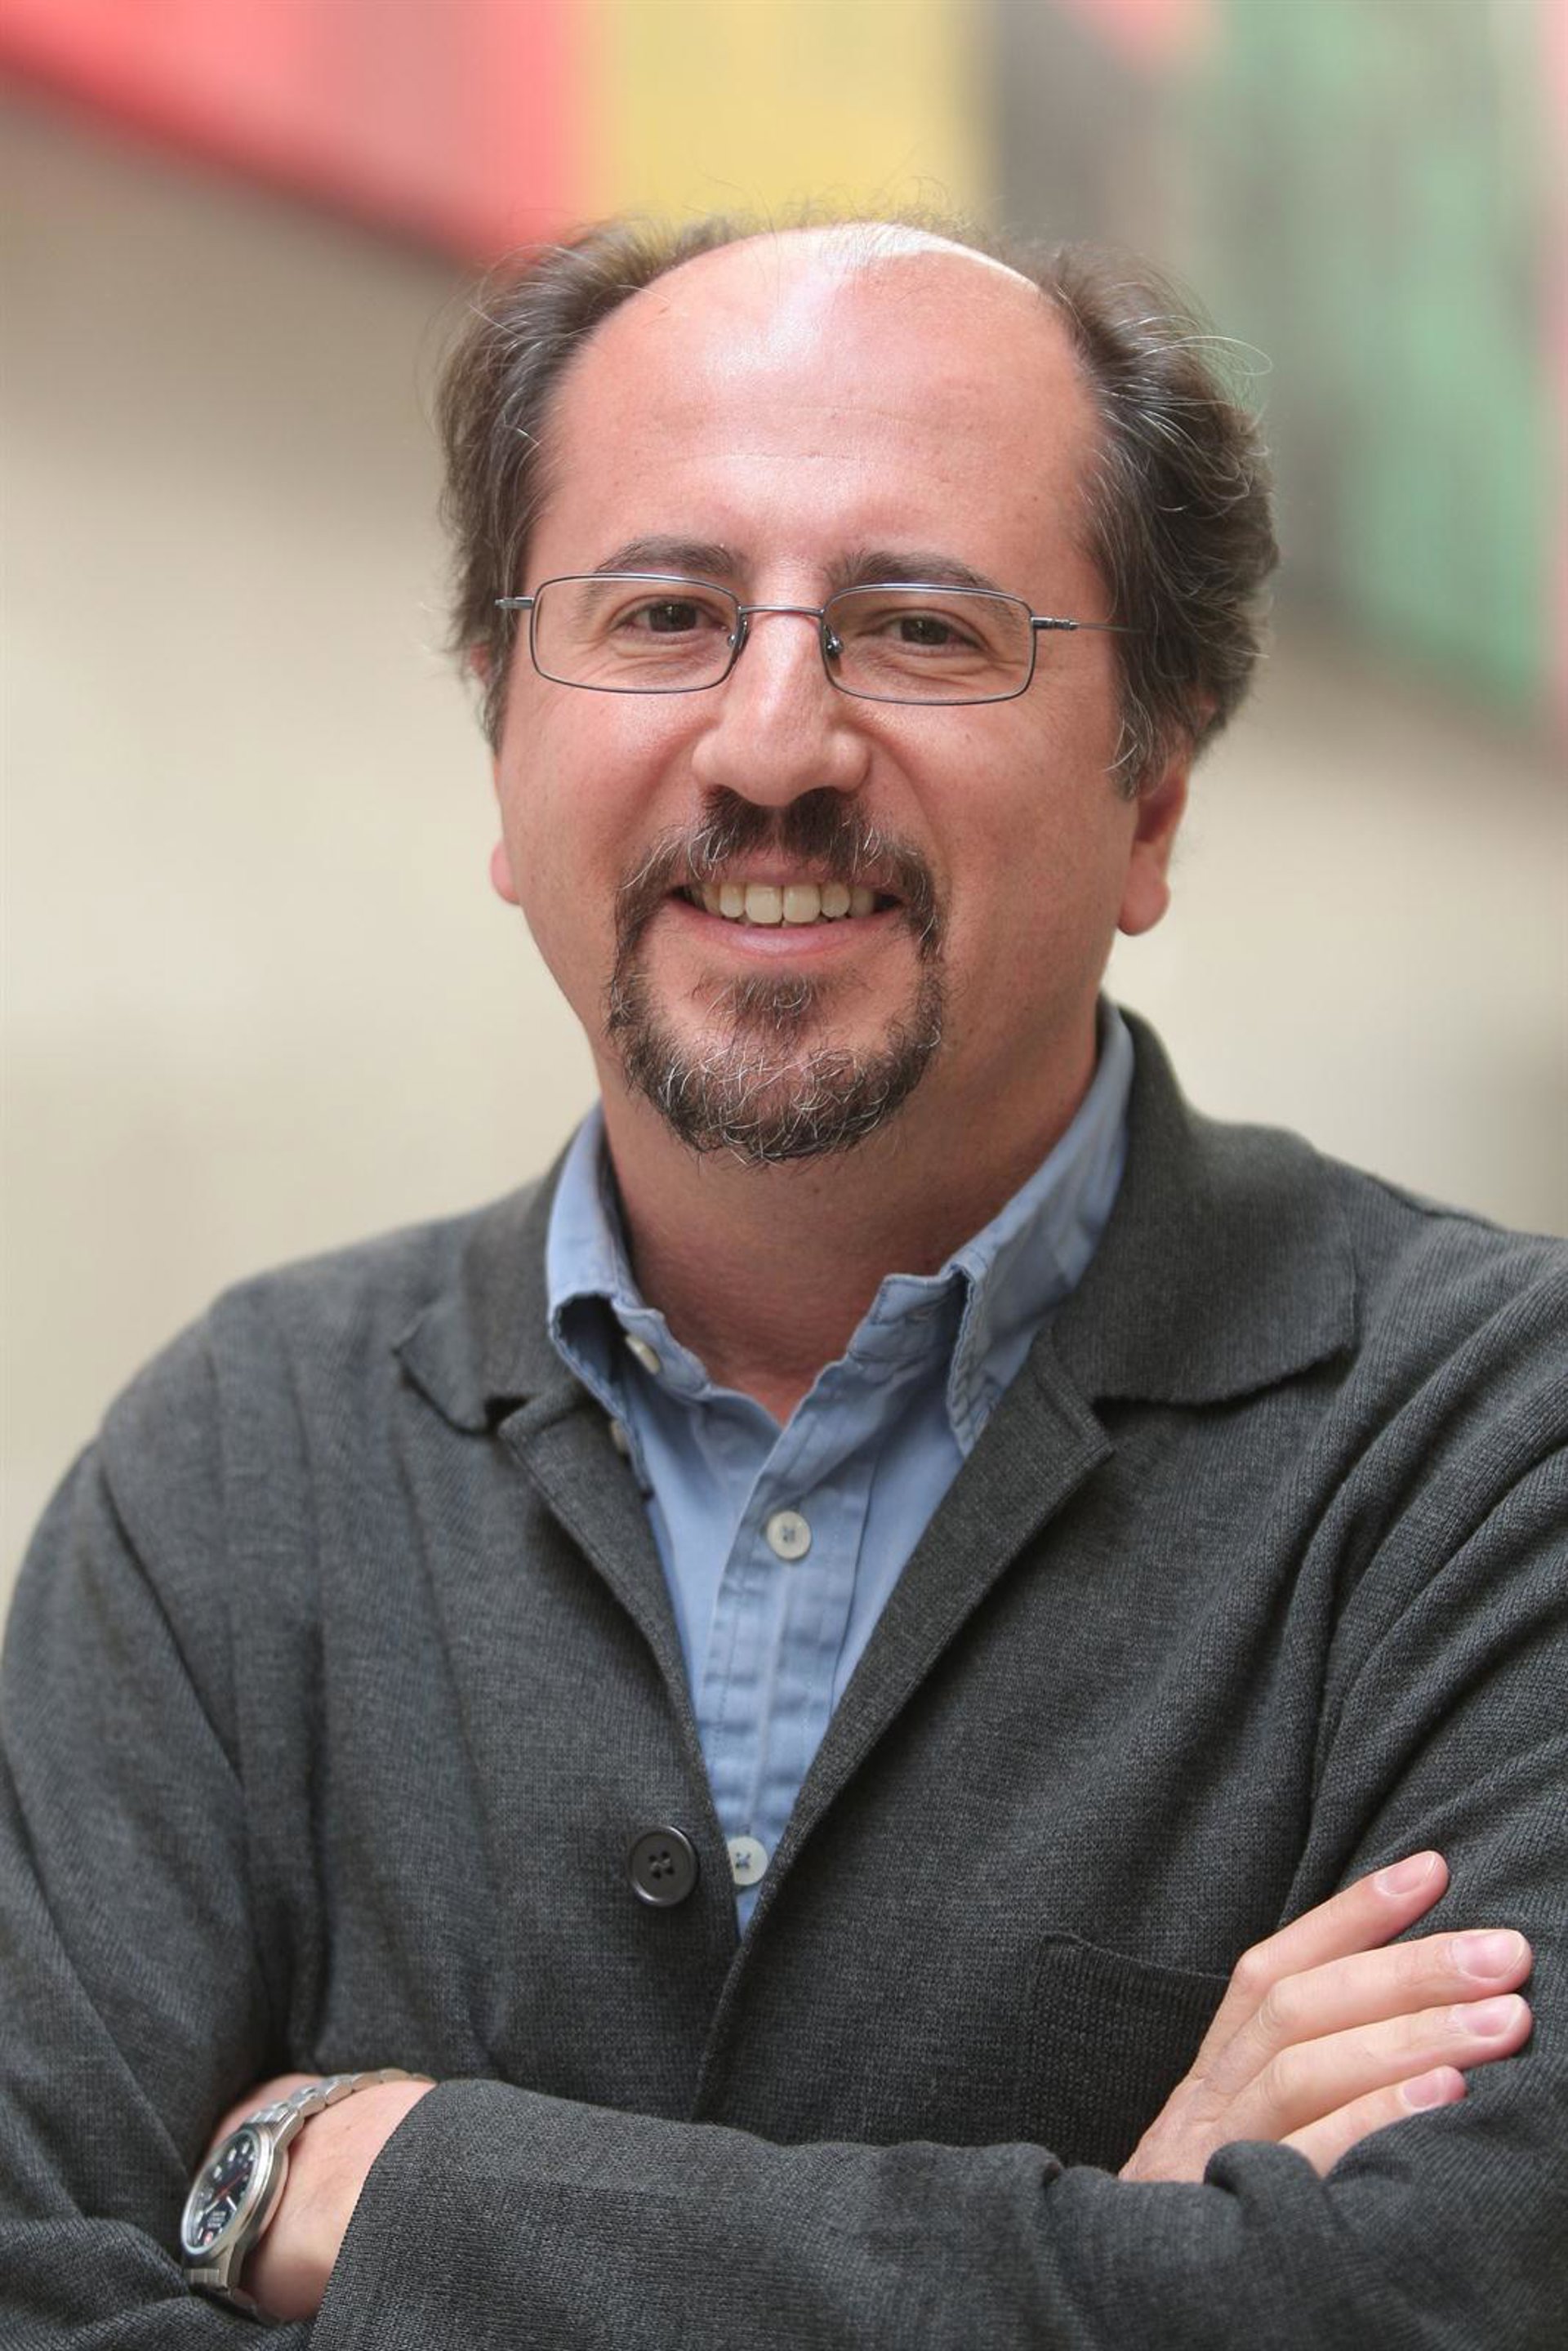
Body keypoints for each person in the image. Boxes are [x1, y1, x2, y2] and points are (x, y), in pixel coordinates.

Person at [2, 212, 1563, 2349]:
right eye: (662, 614)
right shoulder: (236, 1468)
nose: (769, 744)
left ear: (1154, 796)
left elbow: (1449, 2306)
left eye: (919, 629)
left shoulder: (1491, 1455)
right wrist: (1129, 2258)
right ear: (501, 748)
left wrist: (383, 2191)